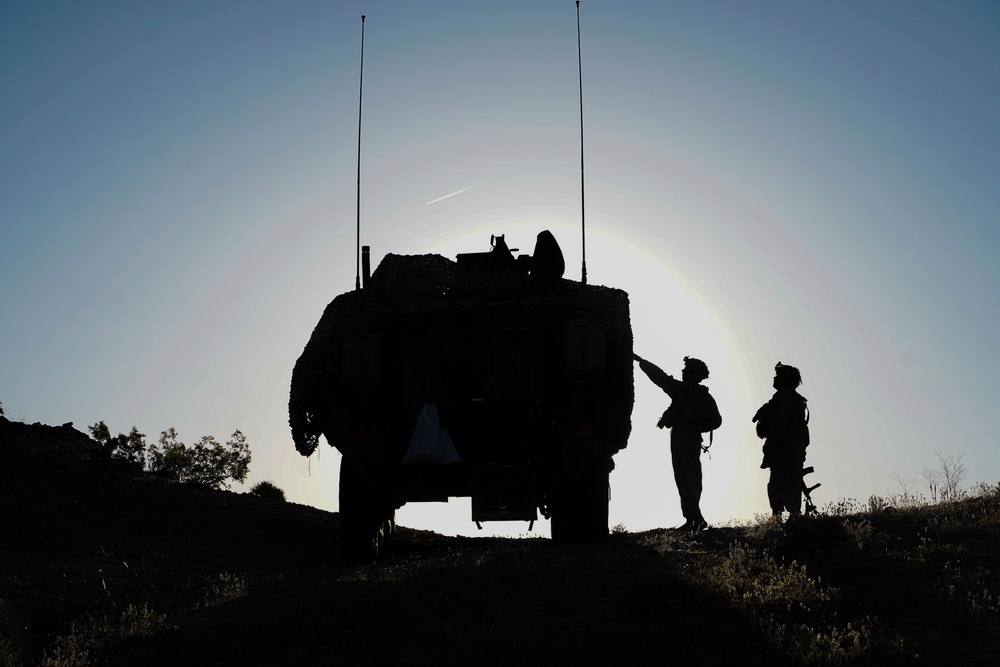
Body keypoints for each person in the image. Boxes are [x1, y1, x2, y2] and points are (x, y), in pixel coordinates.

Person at [634, 354, 721, 531]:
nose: (682, 371)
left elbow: (660, 378)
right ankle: (693, 517)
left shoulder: (683, 390)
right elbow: (716, 421)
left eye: (686, 369)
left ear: (692, 373)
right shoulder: (703, 396)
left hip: (683, 437)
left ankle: (694, 518)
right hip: (692, 438)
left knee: (685, 476)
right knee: (692, 476)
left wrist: (642, 362)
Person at [752, 362, 810, 517]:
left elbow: (779, 423)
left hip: (783, 447)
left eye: (777, 376)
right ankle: (794, 517)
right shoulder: (796, 399)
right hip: (794, 448)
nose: (774, 378)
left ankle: (778, 518)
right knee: (793, 481)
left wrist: (771, 442)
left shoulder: (783, 397)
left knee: (778, 482)